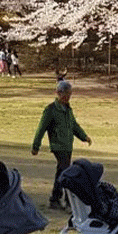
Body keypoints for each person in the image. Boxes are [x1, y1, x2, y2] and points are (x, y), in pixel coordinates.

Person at [31, 79, 92, 210]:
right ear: (59, 93)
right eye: (66, 95)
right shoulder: (50, 110)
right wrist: (36, 146)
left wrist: (84, 137)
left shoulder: (68, 109)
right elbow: (41, 128)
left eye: (69, 95)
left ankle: (55, 199)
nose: (68, 97)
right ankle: (69, 201)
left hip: (68, 145)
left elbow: (74, 126)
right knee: (66, 173)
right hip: (58, 146)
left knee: (61, 172)